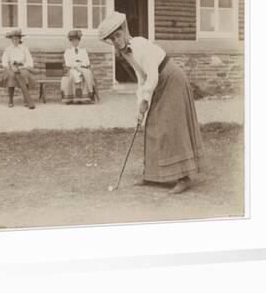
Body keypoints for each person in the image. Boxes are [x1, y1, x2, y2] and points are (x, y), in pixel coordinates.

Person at [98, 12, 203, 194]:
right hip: (158, 82)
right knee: (152, 125)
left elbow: (152, 74)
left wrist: (146, 99)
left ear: (124, 31)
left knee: (170, 126)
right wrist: (140, 107)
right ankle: (153, 175)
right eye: (112, 39)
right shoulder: (125, 53)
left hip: (172, 79)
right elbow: (141, 78)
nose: (116, 40)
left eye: (117, 35)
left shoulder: (138, 45)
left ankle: (184, 178)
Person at [1, 29, 36, 109]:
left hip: (22, 67)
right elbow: (4, 61)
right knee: (11, 76)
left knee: (24, 75)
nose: (15, 41)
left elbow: (29, 61)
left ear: (20, 39)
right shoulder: (8, 49)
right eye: (13, 39)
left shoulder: (24, 49)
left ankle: (26, 100)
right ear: (11, 40)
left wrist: (22, 67)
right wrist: (10, 67)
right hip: (11, 68)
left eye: (16, 39)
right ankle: (10, 100)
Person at [61, 30, 96, 104]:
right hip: (72, 68)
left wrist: (80, 65)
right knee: (75, 74)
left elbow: (87, 62)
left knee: (87, 73)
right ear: (70, 41)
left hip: (82, 68)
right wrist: (76, 66)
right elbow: (68, 63)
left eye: (76, 41)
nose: (75, 43)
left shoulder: (83, 51)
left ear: (79, 41)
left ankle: (89, 94)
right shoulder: (68, 51)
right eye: (73, 41)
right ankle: (75, 98)